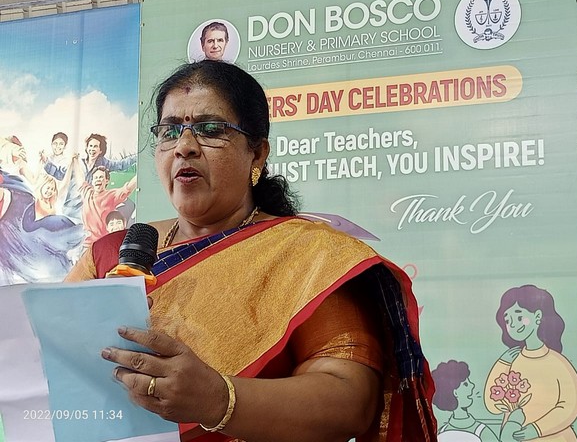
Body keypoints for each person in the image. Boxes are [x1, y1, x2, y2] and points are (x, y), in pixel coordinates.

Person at [65, 60, 438, 441]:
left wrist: (217, 400)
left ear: (257, 154)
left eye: (210, 130)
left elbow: (350, 399)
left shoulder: (307, 254)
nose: (184, 147)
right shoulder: (109, 254)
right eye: (170, 131)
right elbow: (46, 363)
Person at [483, 285, 577, 441]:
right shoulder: (510, 361)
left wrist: (537, 429)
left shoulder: (557, 362)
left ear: (537, 317)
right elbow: (492, 404)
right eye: (508, 320)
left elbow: (569, 406)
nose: (513, 324)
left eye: (519, 317)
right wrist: (502, 364)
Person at [432, 360, 499, 441]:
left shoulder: (481, 431)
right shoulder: (441, 433)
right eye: (465, 384)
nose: (472, 385)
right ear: (455, 392)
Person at [78, 166, 137, 247]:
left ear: (107, 181)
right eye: (96, 177)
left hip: (104, 243)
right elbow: (79, 175)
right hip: (87, 245)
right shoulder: (86, 192)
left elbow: (128, 188)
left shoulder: (111, 195)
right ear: (92, 181)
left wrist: (141, 172)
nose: (98, 179)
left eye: (101, 177)